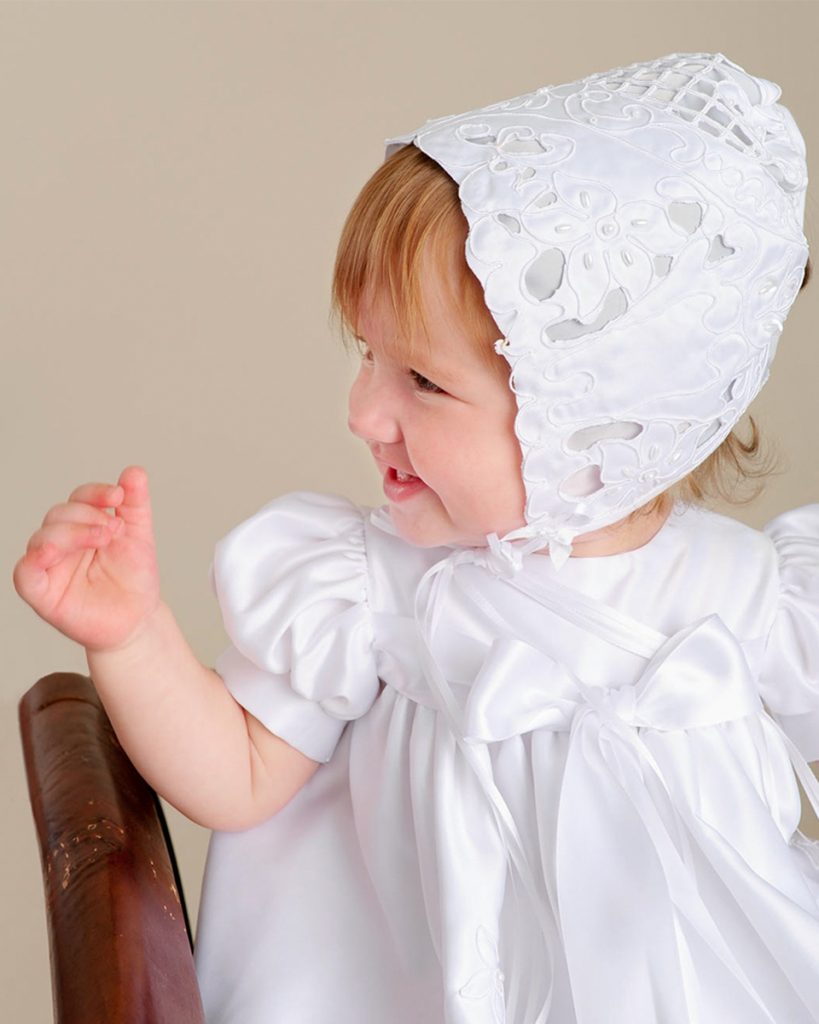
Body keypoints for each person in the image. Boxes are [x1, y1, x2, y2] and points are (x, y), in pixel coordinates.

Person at [13, 51, 819, 1024]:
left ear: (595, 415)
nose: (362, 412)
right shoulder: (377, 589)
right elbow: (238, 774)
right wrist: (131, 634)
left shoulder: (747, 598)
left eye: (423, 382)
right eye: (366, 354)